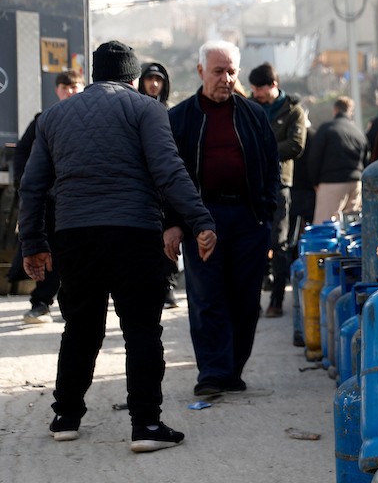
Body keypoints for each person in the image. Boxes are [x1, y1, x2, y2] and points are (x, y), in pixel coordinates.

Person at [18, 41, 216, 452]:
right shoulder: (147, 109)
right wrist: (199, 220)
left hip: (75, 236)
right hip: (134, 233)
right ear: (133, 76)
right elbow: (168, 170)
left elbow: (32, 186)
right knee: (141, 329)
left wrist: (33, 242)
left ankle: (66, 416)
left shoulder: (53, 116)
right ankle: (146, 425)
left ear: (95, 74)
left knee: (80, 327)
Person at [164, 41, 280, 397]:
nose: (226, 79)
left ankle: (233, 370)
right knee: (207, 297)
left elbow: (271, 168)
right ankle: (213, 372)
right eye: (218, 71)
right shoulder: (180, 118)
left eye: (231, 72)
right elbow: (168, 175)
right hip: (202, 219)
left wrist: (268, 214)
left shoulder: (253, 115)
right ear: (201, 71)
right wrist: (174, 222)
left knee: (246, 299)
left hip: (249, 219)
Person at [10, 69, 84, 324]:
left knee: (79, 253)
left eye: (75, 87)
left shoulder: (90, 121)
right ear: (57, 90)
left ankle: (76, 305)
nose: (70, 91)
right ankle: (41, 302)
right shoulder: (44, 120)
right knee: (47, 251)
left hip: (80, 200)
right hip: (51, 201)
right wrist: (28, 186)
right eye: (66, 87)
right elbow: (22, 155)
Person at [247, 62, 307, 317]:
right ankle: (252, 300)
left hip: (280, 184)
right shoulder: (249, 106)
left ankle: (277, 300)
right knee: (250, 242)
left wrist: (263, 150)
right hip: (250, 183)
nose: (255, 93)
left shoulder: (293, 110)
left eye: (259, 89)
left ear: (273, 85)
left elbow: (295, 145)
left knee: (279, 243)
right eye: (253, 89)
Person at [138, 61, 184, 308]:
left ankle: (168, 286)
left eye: (159, 80)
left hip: (166, 183)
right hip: (141, 184)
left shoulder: (171, 113)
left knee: (170, 233)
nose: (154, 84)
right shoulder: (134, 110)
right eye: (150, 79)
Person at [308, 95, 368, 223]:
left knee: (325, 225)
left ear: (335, 110)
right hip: (356, 182)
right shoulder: (358, 132)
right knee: (351, 225)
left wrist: (315, 182)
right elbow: (365, 158)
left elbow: (314, 157)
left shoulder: (327, 128)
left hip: (332, 183)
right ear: (350, 111)